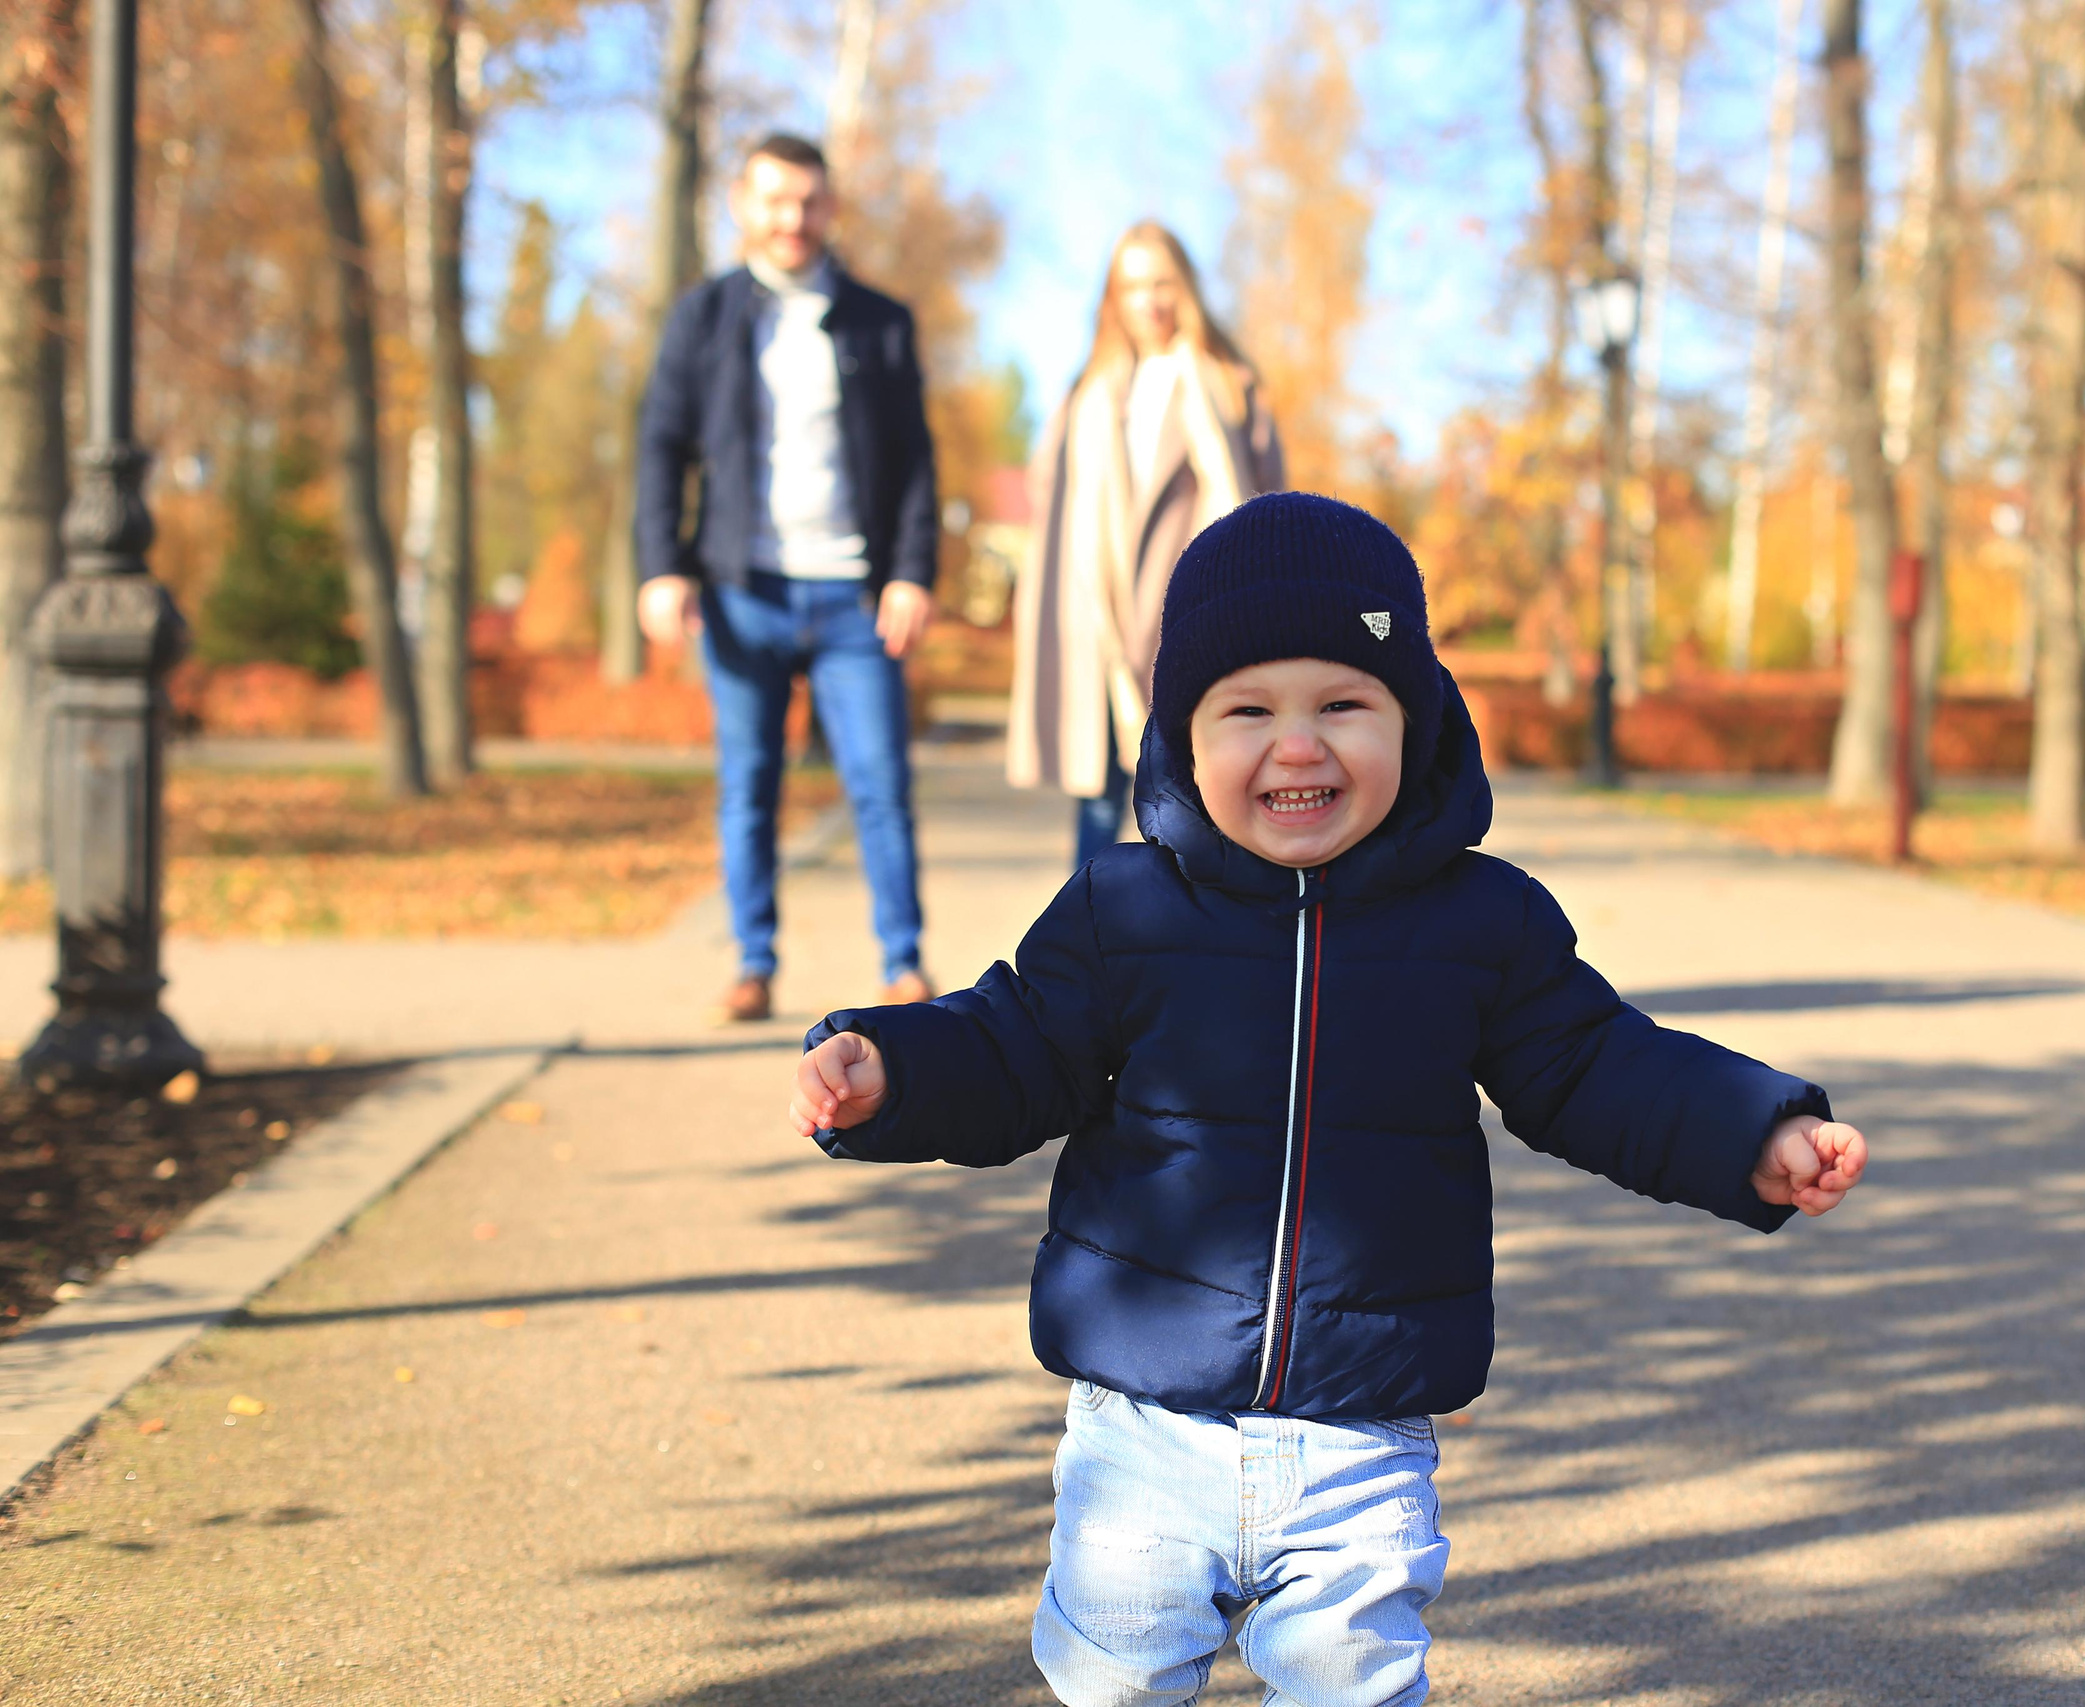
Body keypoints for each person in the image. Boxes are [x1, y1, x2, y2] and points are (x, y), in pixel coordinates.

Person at [788, 493, 1869, 1705]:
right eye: (1248, 711)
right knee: (1114, 1677)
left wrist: (1749, 1130)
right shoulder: (1122, 909)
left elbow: (1592, 1064)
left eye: (1343, 706)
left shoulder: (1482, 922)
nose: (1297, 747)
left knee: (1350, 1680)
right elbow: (1014, 1047)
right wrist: (891, 1072)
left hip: (1363, 1423)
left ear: (1416, 721)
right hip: (1144, 1417)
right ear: (1183, 736)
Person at [633, 131, 937, 1022]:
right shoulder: (704, 316)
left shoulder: (880, 321)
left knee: (880, 784)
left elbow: (916, 463)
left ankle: (904, 962)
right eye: (774, 200)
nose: (792, 219)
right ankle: (753, 962)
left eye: (807, 202)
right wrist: (663, 568)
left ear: (830, 207)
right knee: (749, 786)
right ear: (743, 205)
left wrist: (912, 572)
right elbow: (661, 448)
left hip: (854, 599)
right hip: (744, 592)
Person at [1007, 221, 1285, 869]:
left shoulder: (1230, 382)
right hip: (1101, 626)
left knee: (1198, 800)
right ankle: (1088, 927)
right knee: (1099, 801)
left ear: (1185, 287)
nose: (1149, 300)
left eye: (1162, 282)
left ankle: (1196, 926)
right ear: (1114, 297)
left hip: (1191, 613)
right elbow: (1049, 495)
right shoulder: (1087, 393)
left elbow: (1270, 501)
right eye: (1132, 286)